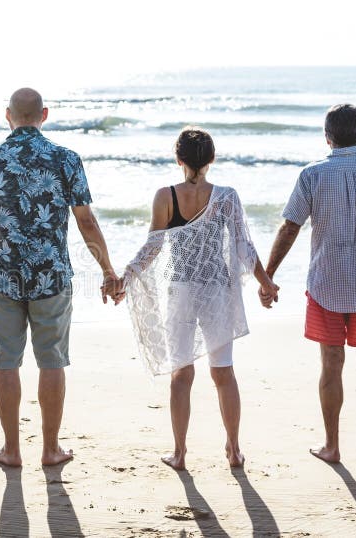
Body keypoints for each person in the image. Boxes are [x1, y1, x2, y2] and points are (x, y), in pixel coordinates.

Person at [0, 88, 117, 467]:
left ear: (7, 115)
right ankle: (50, 449)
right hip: (52, 277)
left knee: (6, 361)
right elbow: (86, 221)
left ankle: (11, 450)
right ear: (44, 114)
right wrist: (108, 271)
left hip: (5, 276)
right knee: (52, 361)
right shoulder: (66, 159)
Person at [114, 127, 278, 471]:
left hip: (181, 289)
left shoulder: (164, 196)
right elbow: (244, 247)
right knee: (224, 375)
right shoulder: (227, 196)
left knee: (181, 374)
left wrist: (126, 276)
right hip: (216, 289)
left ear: (179, 159)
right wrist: (266, 283)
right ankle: (234, 449)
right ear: (212, 159)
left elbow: (153, 247)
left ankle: (180, 453)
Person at [261, 104, 356, 463]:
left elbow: (290, 227)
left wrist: (268, 276)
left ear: (327, 137)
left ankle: (332, 446)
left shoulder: (312, 175)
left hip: (326, 285)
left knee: (331, 363)